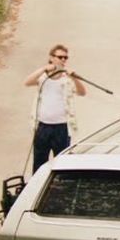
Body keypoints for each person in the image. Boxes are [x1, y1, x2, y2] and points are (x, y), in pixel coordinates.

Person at [23, 44, 86, 174]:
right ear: (51, 58)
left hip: (62, 127)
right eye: (60, 57)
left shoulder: (67, 79)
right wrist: (43, 69)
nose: (63, 60)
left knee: (62, 163)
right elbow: (27, 82)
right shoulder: (43, 77)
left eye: (65, 58)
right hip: (43, 126)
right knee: (39, 163)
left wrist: (74, 77)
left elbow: (82, 92)